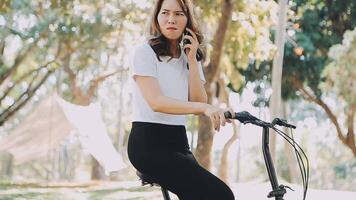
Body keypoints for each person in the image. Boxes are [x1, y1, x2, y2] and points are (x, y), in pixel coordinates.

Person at [127, 0, 236, 199]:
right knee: (221, 195)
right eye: (165, 13)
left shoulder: (189, 57)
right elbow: (156, 102)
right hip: (148, 143)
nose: (171, 19)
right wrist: (206, 107)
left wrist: (193, 60)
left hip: (178, 140)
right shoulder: (144, 52)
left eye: (179, 14)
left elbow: (196, 100)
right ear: (157, 17)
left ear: (187, 19)